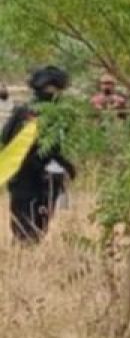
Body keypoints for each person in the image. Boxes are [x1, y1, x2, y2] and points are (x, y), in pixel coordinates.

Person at [2, 66, 76, 243]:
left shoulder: (53, 115)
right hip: (24, 177)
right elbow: (7, 139)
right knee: (25, 227)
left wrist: (64, 165)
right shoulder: (27, 114)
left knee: (37, 227)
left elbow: (53, 149)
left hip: (43, 179)